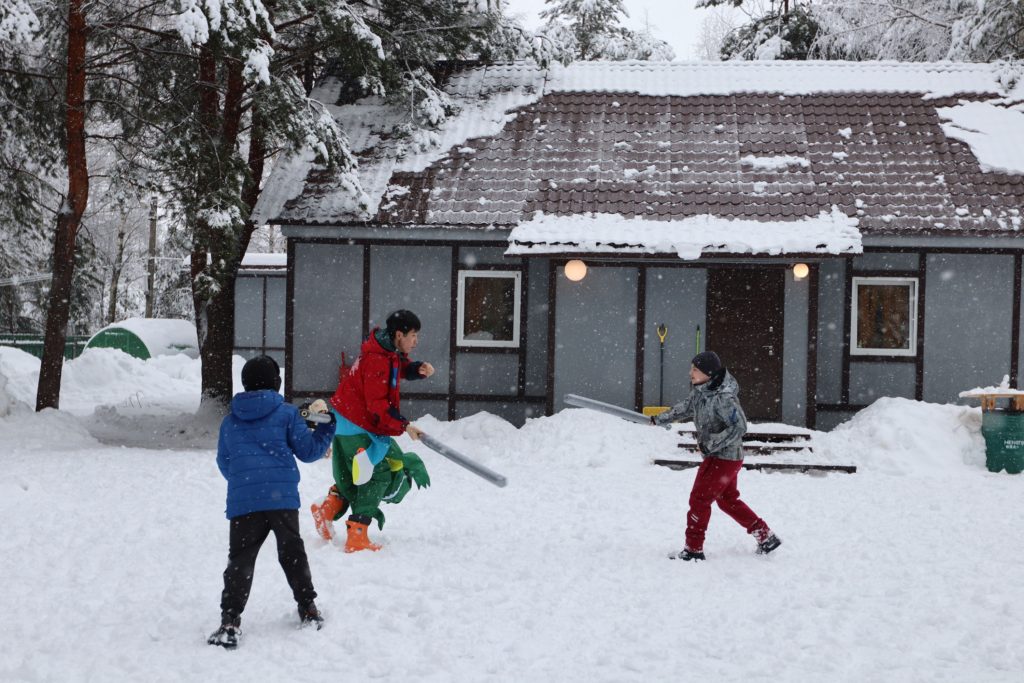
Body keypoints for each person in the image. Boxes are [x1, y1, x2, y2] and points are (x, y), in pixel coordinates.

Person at [207, 355, 336, 650]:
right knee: (292, 552)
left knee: (240, 559)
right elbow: (308, 451)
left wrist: (244, 482)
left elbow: (224, 461)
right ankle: (308, 609)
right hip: (282, 500)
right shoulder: (287, 414)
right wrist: (328, 428)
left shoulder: (230, 421)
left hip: (244, 500)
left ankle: (230, 621)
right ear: (276, 384)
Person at [309, 310, 434, 553]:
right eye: (413, 335)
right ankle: (357, 534)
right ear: (399, 335)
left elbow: (396, 366)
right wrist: (404, 425)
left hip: (344, 424)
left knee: (354, 474)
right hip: (361, 426)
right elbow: (377, 405)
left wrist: (415, 369)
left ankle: (328, 508)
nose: (415, 341)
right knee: (379, 475)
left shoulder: (383, 351)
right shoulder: (377, 360)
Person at [653, 351, 781, 561]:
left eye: (695, 369)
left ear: (708, 373)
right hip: (726, 458)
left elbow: (740, 426)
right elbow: (685, 407)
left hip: (723, 457)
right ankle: (765, 536)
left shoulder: (723, 397)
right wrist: (659, 419)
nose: (690, 373)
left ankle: (693, 549)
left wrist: (710, 444)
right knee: (727, 500)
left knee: (699, 499)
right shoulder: (701, 391)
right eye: (691, 368)